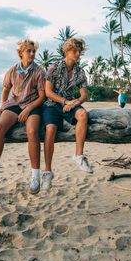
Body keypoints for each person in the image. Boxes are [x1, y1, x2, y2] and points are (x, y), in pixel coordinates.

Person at [0, 38, 45, 194]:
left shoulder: (39, 71)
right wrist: (3, 106)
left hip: (33, 104)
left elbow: (42, 96)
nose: (31, 53)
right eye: (28, 51)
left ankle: (35, 176)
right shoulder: (12, 70)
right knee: (0, 126)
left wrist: (28, 109)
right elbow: (6, 89)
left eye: (33, 51)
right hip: (15, 103)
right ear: (20, 53)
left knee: (32, 131)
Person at [41, 37, 93, 191]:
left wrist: (74, 103)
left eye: (79, 51)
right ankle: (47, 172)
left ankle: (79, 156)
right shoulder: (54, 68)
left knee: (83, 115)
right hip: (52, 104)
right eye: (75, 51)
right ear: (67, 50)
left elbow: (84, 95)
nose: (77, 54)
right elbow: (48, 92)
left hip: (70, 104)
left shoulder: (79, 71)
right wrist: (65, 102)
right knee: (50, 130)